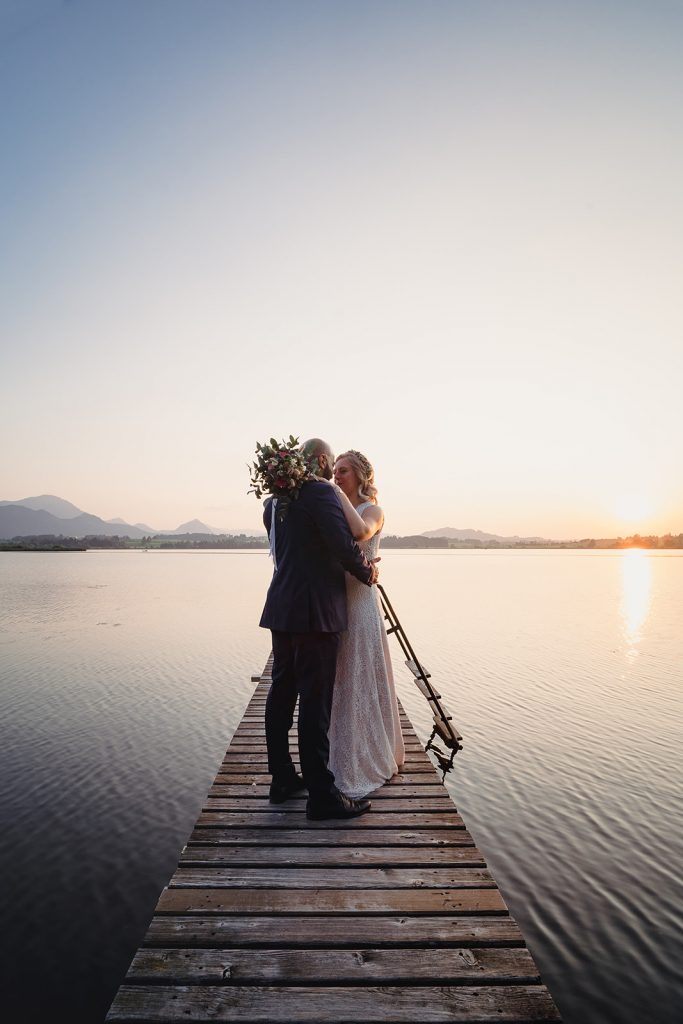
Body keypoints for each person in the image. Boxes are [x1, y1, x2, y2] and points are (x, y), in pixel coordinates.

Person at [259, 438, 379, 821]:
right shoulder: (320, 493)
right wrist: (369, 573)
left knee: (282, 693)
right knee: (315, 702)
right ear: (324, 461)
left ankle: (282, 779)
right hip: (316, 612)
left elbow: (286, 552)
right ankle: (322, 796)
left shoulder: (274, 502)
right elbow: (343, 547)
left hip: (281, 607)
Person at [323, 450, 405, 797]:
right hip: (334, 599)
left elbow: (360, 534)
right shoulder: (334, 503)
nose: (336, 476)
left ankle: (366, 756)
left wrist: (333, 492)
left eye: (342, 471)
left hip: (360, 601)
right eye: (335, 471)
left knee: (360, 674)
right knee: (340, 678)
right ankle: (336, 755)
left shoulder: (373, 510)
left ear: (359, 475)